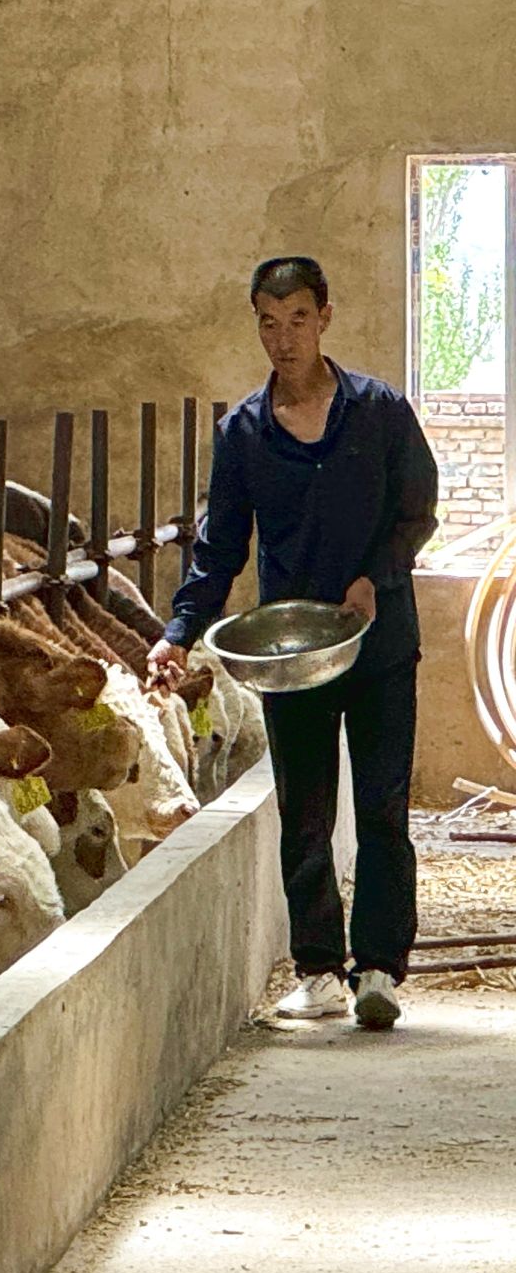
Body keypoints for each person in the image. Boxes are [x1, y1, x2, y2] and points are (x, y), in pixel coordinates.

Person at [148, 256, 438, 1028]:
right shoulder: (243, 433)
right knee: (304, 813)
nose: (284, 338)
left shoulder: (380, 412)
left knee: (382, 808)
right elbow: (219, 549)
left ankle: (379, 969)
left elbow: (417, 513)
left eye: (298, 320)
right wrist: (178, 634)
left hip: (379, 642)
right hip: (291, 655)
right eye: (269, 323)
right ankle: (318, 971)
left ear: (325, 318)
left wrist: (375, 577)